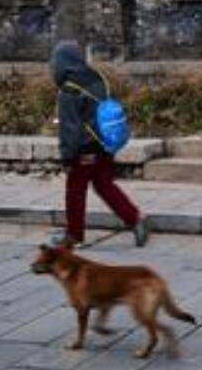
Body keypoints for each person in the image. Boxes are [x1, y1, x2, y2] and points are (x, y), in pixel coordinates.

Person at [48, 41, 148, 248]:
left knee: (75, 191)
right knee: (104, 185)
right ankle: (135, 219)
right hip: (104, 144)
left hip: (83, 149)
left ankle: (74, 236)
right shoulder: (97, 78)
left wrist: (67, 156)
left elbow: (70, 129)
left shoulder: (69, 90)